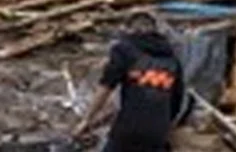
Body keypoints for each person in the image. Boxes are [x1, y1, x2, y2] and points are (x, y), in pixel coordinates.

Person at [73, 13, 186, 152]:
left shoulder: (125, 49)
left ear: (130, 30)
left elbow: (106, 86)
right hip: (157, 133)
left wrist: (87, 119)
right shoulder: (172, 59)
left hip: (128, 129)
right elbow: (177, 100)